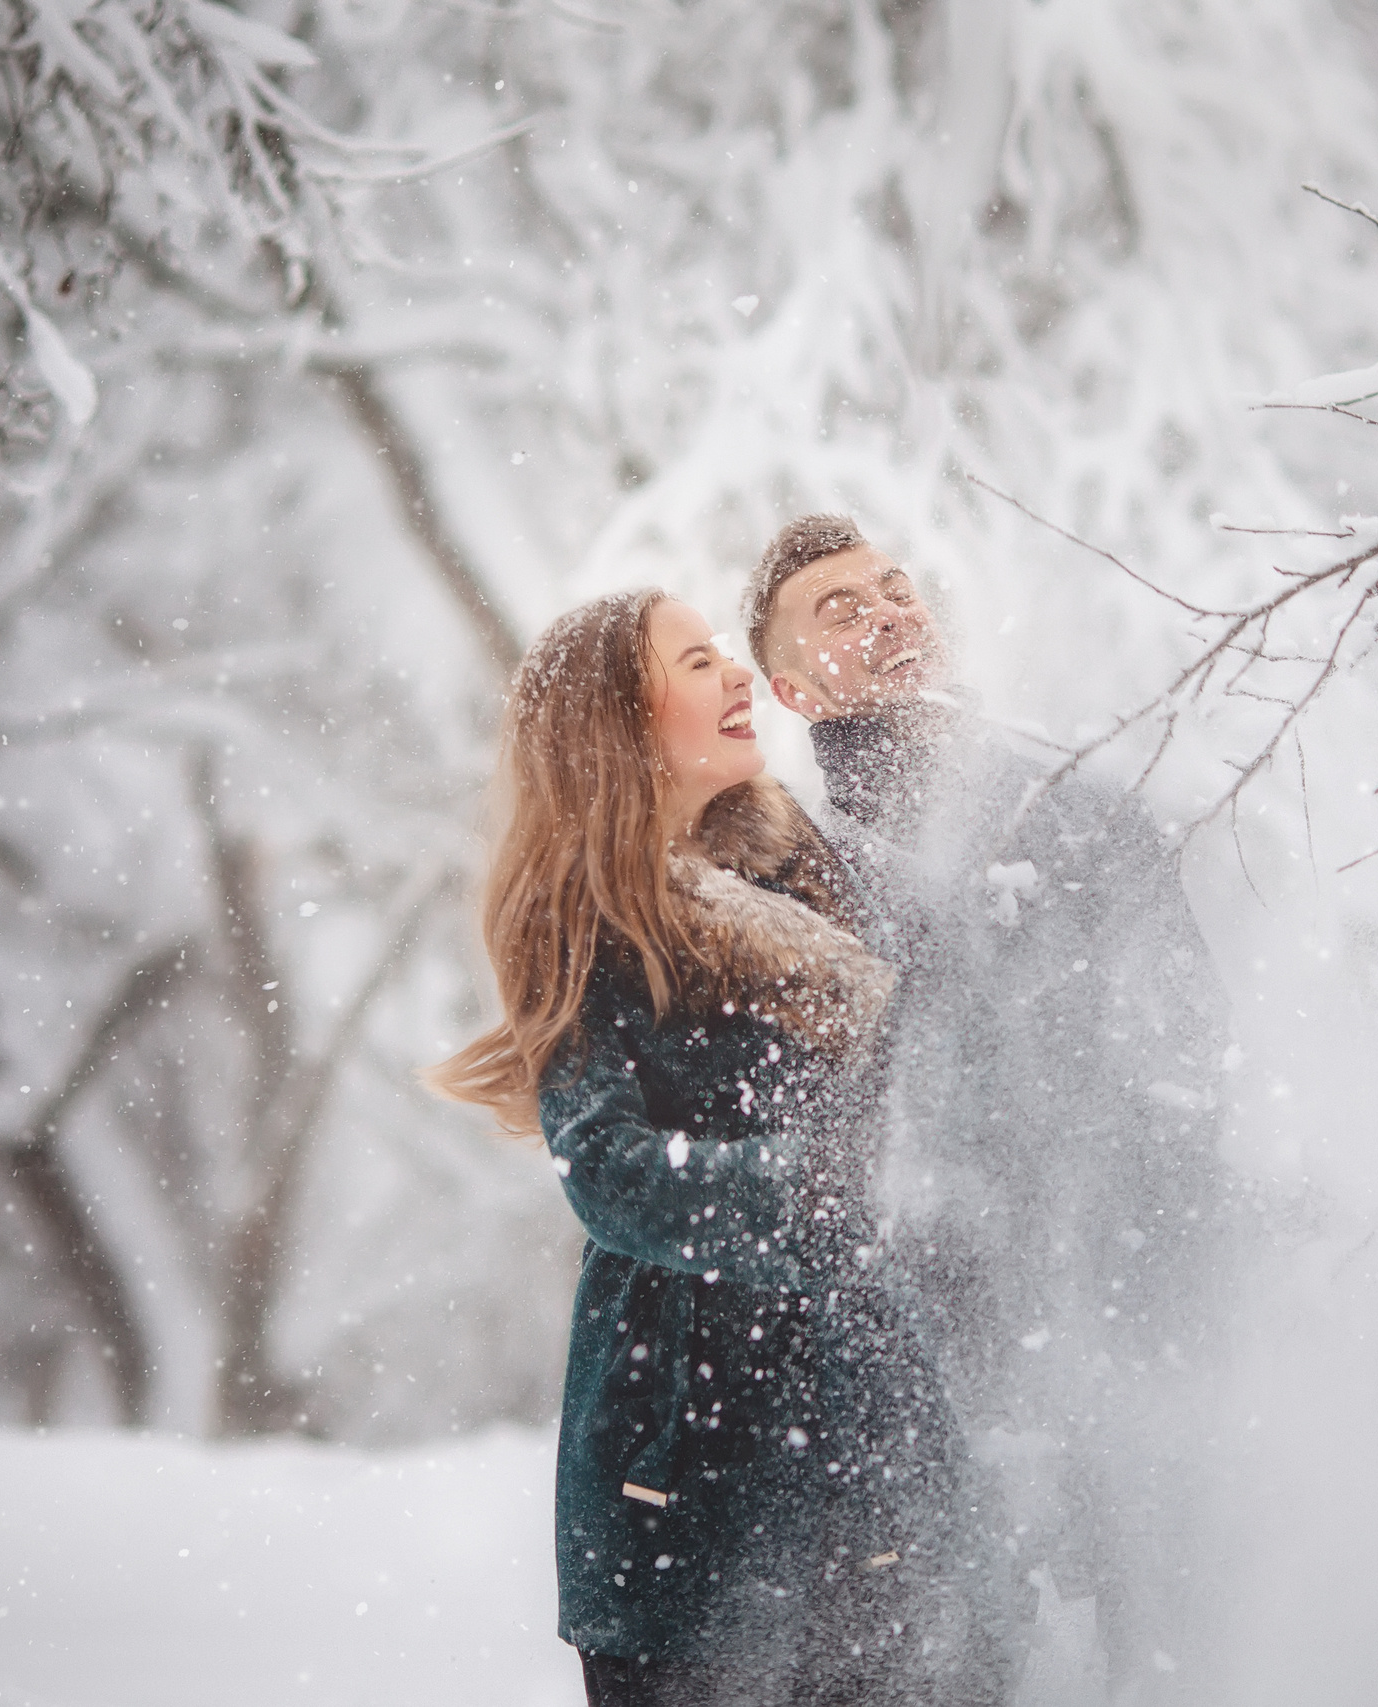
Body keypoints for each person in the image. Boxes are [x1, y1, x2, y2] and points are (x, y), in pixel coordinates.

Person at [425, 589, 1017, 1707]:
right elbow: (610, 1173)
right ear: (621, 724)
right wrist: (815, 1188)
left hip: (882, 1439)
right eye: (696, 662)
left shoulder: (815, 874)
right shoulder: (592, 921)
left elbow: (943, 1043)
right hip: (690, 1464)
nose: (736, 672)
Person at [743, 516, 1235, 1702]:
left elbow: (1183, 1049)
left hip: (1115, 1319)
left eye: (894, 589)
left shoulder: (1078, 804)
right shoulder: (799, 871)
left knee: (1148, 1645)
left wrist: (1131, 1253)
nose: (888, 613)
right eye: (842, 610)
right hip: (915, 1368)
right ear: (792, 689)